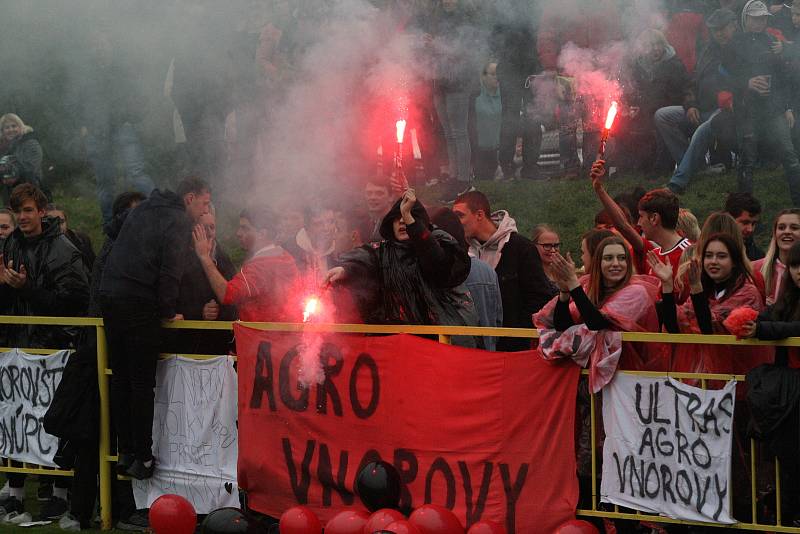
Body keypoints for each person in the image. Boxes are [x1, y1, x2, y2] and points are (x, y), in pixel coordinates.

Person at [99, 177, 211, 480]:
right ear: (189, 198)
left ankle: (125, 452)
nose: (206, 210)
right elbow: (170, 270)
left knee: (120, 378)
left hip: (109, 294)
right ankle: (143, 457)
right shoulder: (177, 220)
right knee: (140, 382)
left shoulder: (144, 206)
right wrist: (167, 311)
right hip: (138, 301)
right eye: (204, 203)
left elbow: (110, 228)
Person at [0, 184, 90, 519]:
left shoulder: (62, 248)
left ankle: (60, 493)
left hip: (56, 349)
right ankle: (16, 493)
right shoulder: (10, 245)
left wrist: (28, 288)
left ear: (41, 211)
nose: (23, 217)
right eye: (18, 211)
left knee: (53, 422)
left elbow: (75, 300)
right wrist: (5, 286)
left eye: (27, 210)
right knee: (15, 419)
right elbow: (10, 301)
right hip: (17, 348)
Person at [325, 190, 479, 344]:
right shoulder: (382, 251)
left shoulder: (438, 243)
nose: (402, 221)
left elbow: (438, 263)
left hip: (439, 342)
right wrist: (346, 270)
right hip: (396, 346)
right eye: (396, 218)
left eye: (406, 217)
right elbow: (365, 258)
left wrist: (411, 222)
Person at [535, 235, 667, 388]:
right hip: (599, 380)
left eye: (622, 258)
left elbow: (597, 323)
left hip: (631, 379)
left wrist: (573, 283)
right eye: (609, 258)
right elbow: (563, 326)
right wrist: (564, 292)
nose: (616, 264)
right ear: (599, 262)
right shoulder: (589, 286)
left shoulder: (637, 292)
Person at [453, 190, 555, 351]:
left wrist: (514, 335)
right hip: (475, 346)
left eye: (460, 215)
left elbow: (539, 299)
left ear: (479, 214)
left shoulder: (521, 248)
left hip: (513, 348)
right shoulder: (461, 250)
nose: (456, 222)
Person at [653, 232, 768, 374]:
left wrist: (696, 288)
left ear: (734, 262)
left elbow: (709, 329)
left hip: (736, 380)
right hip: (703, 383)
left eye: (721, 256)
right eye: (708, 256)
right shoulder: (705, 292)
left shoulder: (747, 294)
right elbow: (674, 327)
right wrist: (667, 286)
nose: (713, 261)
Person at [723, 0, 800, 204]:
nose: (760, 22)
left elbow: (784, 78)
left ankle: (798, 204)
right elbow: (722, 78)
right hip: (748, 110)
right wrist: (746, 83)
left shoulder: (772, 41)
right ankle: (745, 211)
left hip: (774, 109)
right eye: (755, 18)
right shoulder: (733, 44)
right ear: (745, 19)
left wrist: (788, 107)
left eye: (763, 18)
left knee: (790, 156)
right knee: (747, 161)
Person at [655, 8, 738, 194]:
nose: (720, 33)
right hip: (702, 107)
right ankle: (698, 167)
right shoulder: (707, 51)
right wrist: (691, 104)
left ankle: (677, 183)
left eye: (723, 28)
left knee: (703, 130)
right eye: (716, 29)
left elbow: (744, 82)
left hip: (728, 111)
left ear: (734, 26)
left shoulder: (741, 51)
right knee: (663, 116)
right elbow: (692, 81)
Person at [193, 206, 299, 322]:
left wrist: (204, 257)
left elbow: (227, 294)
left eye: (245, 228)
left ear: (262, 234)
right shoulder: (283, 257)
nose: (238, 233)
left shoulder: (262, 265)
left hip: (263, 338)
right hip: (278, 336)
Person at [591, 160, 692, 280]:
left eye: (641, 216)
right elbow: (623, 225)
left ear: (654, 218)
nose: (638, 223)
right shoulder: (652, 253)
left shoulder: (690, 254)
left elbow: (624, 226)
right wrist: (599, 189)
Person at [419, 0, 477, 185]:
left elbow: (465, 51)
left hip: (458, 80)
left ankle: (463, 179)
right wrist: (428, 43)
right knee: (448, 133)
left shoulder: (465, 15)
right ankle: (453, 176)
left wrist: (436, 44)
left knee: (459, 132)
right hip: (439, 80)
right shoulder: (435, 14)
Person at [431, 207, 502, 350]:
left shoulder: (435, 272)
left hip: (451, 358)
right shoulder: (487, 271)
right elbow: (497, 320)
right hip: (486, 357)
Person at [170, 206, 237, 355]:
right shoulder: (177, 257)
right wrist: (199, 311)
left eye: (212, 228)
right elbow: (169, 302)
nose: (208, 233)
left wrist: (218, 310)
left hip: (217, 348)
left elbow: (233, 300)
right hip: (185, 347)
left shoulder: (222, 258)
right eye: (203, 228)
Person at [754, 209, 800, 304]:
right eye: (781, 228)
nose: (787, 232)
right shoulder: (754, 269)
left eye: (794, 228)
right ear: (775, 233)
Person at [282, 204, 339, 283]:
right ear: (306, 228)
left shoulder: (342, 249)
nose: (326, 228)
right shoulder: (287, 251)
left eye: (331, 222)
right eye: (319, 224)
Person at [0, 113, 44, 205]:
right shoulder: (3, 147)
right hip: (9, 195)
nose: (11, 130)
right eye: (7, 127)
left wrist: (12, 171)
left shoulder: (31, 143)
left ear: (20, 127)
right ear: (2, 131)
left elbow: (32, 166)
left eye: (14, 126)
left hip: (30, 191)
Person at [471, 61, 502, 181]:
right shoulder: (475, 96)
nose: (497, 77)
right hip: (479, 152)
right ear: (483, 76)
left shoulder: (504, 95)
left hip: (501, 150)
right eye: (493, 74)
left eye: (498, 73)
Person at [46, 203, 96, 272]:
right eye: (52, 222)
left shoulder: (81, 240)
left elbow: (94, 267)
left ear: (66, 222)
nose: (58, 226)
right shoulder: (42, 248)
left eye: (61, 222)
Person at [725, 191, 765, 260]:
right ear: (729, 219)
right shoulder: (709, 251)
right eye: (745, 223)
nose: (750, 229)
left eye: (753, 224)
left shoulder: (759, 257)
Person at [531, 224, 561, 291]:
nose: (553, 250)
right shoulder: (530, 277)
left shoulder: (563, 273)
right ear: (534, 246)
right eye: (547, 245)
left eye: (556, 245)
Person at [362, 178, 393, 243]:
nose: (372, 197)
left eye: (379, 193)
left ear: (391, 197)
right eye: (369, 193)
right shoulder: (365, 224)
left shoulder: (397, 225)